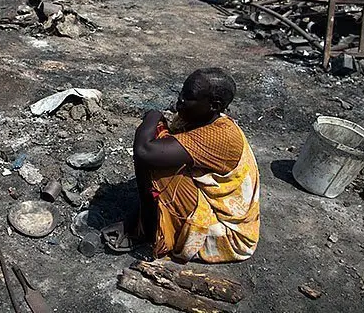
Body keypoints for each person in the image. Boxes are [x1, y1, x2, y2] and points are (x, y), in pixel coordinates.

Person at [102, 68, 260, 263]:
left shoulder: (221, 136)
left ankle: (148, 232)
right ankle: (143, 222)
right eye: (182, 92)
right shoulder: (198, 119)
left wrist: (153, 114)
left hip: (229, 234)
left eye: (189, 96)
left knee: (160, 167)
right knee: (162, 148)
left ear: (214, 105)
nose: (180, 100)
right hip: (212, 206)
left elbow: (145, 151)